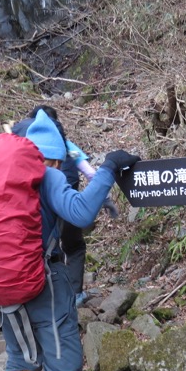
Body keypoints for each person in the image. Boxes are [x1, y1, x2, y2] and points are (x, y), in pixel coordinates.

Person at [0, 110, 139, 371]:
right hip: (43, 284)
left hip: (2, 288)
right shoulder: (47, 173)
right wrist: (109, 168)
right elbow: (79, 211)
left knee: (19, 358)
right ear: (53, 157)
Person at [11, 106, 118, 307]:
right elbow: (90, 172)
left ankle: (47, 295)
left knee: (47, 247)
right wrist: (105, 200)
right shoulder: (61, 142)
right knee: (74, 245)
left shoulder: (17, 139)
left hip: (32, 207)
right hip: (69, 196)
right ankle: (75, 295)